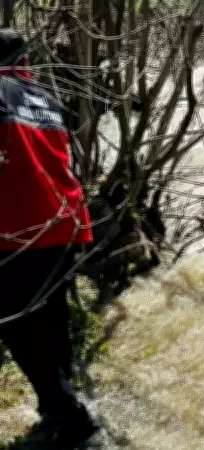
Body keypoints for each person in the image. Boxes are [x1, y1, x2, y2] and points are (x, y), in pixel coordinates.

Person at [0, 28, 99, 446]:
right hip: (66, 223)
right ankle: (58, 404)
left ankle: (72, 420)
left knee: (19, 329)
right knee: (52, 319)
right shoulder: (46, 99)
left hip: (22, 230)